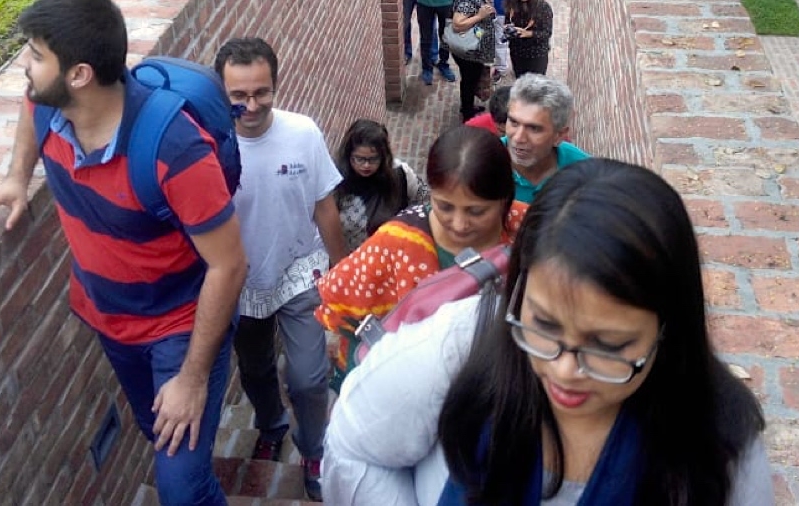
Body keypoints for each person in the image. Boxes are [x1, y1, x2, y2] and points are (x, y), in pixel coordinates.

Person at [322, 159, 772, 506]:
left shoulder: (718, 437)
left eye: (610, 345)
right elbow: (353, 446)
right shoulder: (458, 348)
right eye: (543, 324)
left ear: (669, 329)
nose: (564, 369)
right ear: (518, 292)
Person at [0, 0, 246, 506]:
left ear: (79, 75)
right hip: (111, 321)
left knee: (181, 487)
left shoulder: (174, 148)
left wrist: (192, 377)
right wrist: (15, 178)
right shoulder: (53, 106)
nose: (25, 66)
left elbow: (229, 265)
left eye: (36, 55)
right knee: (156, 434)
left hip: (178, 331)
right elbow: (30, 109)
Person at [213, 37, 346, 501]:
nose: (252, 105)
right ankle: (271, 424)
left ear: (275, 84)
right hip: (242, 283)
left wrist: (341, 274)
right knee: (254, 369)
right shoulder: (208, 147)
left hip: (298, 270)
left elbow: (325, 207)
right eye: (239, 95)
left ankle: (313, 448)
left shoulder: (302, 132)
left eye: (261, 92)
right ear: (222, 91)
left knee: (309, 378)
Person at [315, 126, 521, 390]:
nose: (459, 224)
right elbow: (350, 324)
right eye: (445, 206)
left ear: (504, 200)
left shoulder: (527, 231)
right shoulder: (395, 242)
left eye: (476, 212)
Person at [334, 118, 430, 252]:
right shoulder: (334, 181)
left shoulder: (401, 173)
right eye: (359, 159)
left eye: (373, 159)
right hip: (352, 259)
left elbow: (426, 202)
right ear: (349, 155)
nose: (366, 165)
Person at [505, 74, 589, 209]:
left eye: (534, 128)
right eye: (514, 122)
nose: (518, 138)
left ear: (559, 135)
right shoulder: (481, 162)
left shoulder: (585, 172)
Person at [451, 0, 498, 121]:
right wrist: (480, 16)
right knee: (469, 80)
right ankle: (467, 113)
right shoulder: (465, 0)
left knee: (471, 78)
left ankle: (467, 105)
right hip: (467, 50)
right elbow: (457, 25)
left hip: (474, 47)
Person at [503, 0, 554, 78]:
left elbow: (546, 33)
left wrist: (528, 33)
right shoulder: (512, 4)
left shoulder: (543, 8)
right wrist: (508, 28)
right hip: (517, 52)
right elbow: (508, 21)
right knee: (520, 84)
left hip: (536, 54)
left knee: (536, 88)